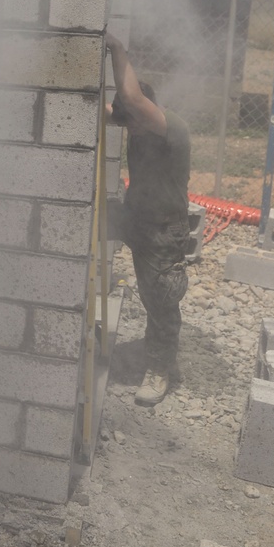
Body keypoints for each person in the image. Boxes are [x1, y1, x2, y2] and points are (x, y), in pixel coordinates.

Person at [106, 32, 191, 407]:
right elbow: (115, 111)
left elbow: (131, 100)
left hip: (162, 231)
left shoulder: (171, 129)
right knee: (89, 218)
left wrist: (116, 48)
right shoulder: (136, 123)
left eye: (134, 123)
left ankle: (160, 368)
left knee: (160, 301)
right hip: (134, 218)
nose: (131, 131)